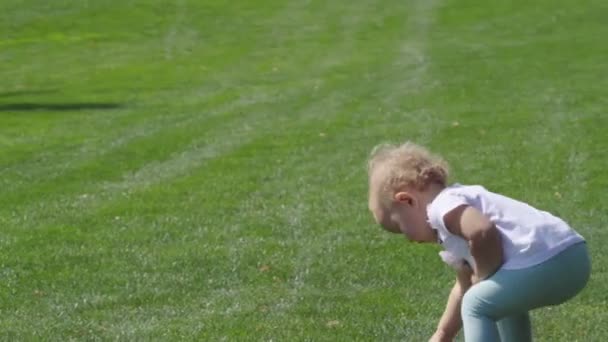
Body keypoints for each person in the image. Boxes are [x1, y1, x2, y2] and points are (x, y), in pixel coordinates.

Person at [367, 141, 590, 342]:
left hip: (550, 260)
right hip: (571, 256)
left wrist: (483, 277)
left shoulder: (443, 207)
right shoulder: (456, 215)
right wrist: (443, 333)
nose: (410, 240)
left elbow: (482, 230)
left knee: (476, 304)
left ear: (407, 200)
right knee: (494, 299)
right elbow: (464, 286)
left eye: (401, 228)